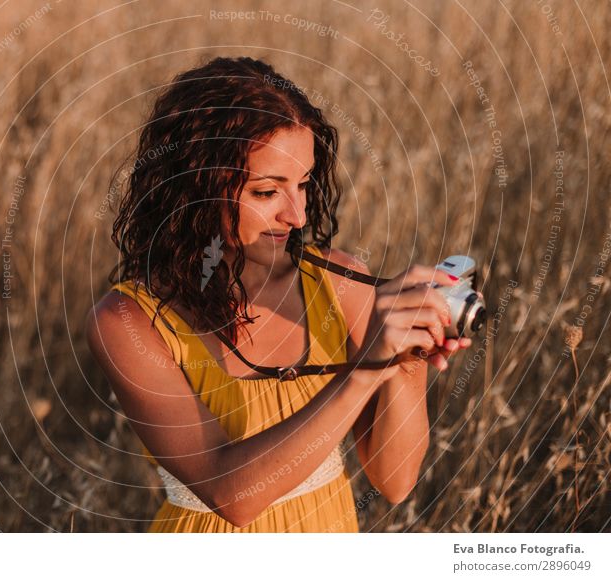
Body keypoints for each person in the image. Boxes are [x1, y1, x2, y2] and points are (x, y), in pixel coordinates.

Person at [85, 56, 471, 532]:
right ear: (194, 188)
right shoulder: (127, 321)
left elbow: (395, 481)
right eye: (267, 192)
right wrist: (369, 364)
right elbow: (233, 495)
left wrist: (405, 358)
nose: (298, 217)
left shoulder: (339, 281)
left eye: (304, 185)